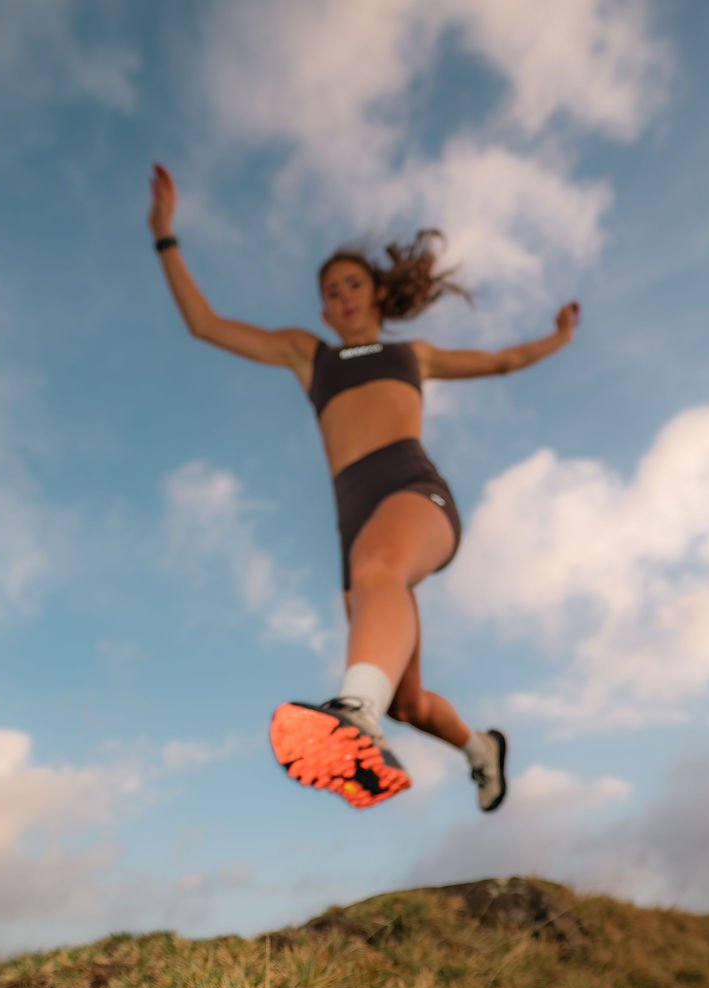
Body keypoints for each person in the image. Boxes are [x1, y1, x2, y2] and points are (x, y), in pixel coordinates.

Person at [148, 161, 580, 811]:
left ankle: (353, 719)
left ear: (376, 292)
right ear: (323, 309)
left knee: (379, 571)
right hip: (353, 519)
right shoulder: (308, 354)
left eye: (354, 283)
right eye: (332, 290)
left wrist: (559, 335)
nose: (344, 296)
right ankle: (479, 748)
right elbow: (204, 324)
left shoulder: (415, 356)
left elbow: (502, 361)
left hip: (411, 491)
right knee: (407, 701)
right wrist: (164, 234)